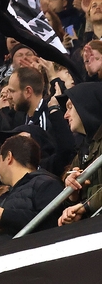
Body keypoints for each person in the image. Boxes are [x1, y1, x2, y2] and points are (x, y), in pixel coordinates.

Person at [0, 135, 64, 242]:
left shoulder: (46, 184)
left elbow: (51, 224)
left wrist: (4, 215)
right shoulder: (4, 195)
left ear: (9, 157)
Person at [58, 83, 102, 224]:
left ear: (87, 105)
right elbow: (75, 204)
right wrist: (72, 195)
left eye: (70, 107)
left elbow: (87, 205)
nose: (66, 115)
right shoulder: (83, 151)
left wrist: (86, 206)